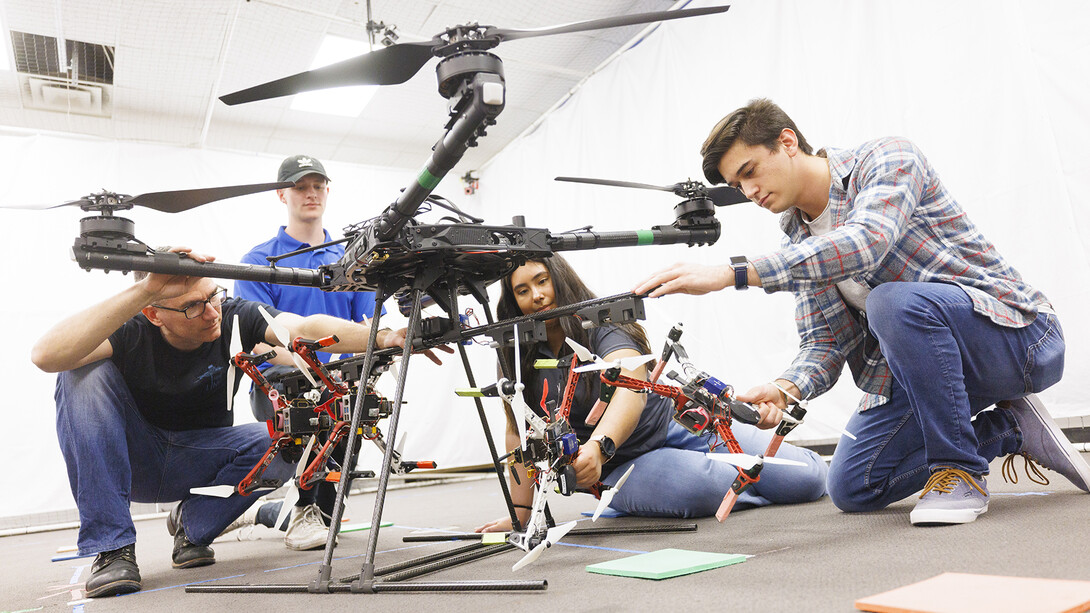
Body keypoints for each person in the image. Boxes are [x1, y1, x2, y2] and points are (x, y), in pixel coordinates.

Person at [634, 98, 1090, 526]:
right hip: (933, 374)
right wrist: (785, 387)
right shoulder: (798, 240)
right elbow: (825, 343)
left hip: (1021, 337)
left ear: (788, 142)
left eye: (750, 171)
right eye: (737, 185)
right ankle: (1010, 427)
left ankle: (961, 472)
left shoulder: (887, 158)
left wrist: (732, 273)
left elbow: (866, 243)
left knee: (891, 301)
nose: (749, 191)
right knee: (853, 484)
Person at [30, 248, 416, 598]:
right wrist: (144, 288)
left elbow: (304, 329)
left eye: (213, 296)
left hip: (199, 458)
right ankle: (112, 548)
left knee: (293, 429)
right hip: (134, 460)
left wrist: (384, 337)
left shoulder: (232, 318)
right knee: (78, 372)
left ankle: (192, 525)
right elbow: (46, 355)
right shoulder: (131, 327)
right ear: (153, 313)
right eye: (193, 307)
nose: (212, 312)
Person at [475, 255, 827, 533]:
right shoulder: (516, 355)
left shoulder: (599, 325)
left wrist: (598, 447)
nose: (536, 296)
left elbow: (629, 383)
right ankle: (637, 497)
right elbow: (517, 432)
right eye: (522, 291)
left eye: (542, 281)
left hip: (679, 426)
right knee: (711, 484)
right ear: (514, 301)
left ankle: (749, 489)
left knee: (806, 480)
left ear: (560, 280)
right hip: (622, 466)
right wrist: (520, 514)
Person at [233, 154, 383, 551]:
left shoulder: (351, 261)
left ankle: (273, 512)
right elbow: (258, 345)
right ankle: (302, 509)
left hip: (340, 381)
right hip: (281, 383)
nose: (311, 193)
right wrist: (317, 371)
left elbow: (368, 330)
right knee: (319, 400)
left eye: (318, 185)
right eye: (301, 186)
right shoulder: (259, 261)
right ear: (281, 194)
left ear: (327, 191)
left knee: (359, 404)